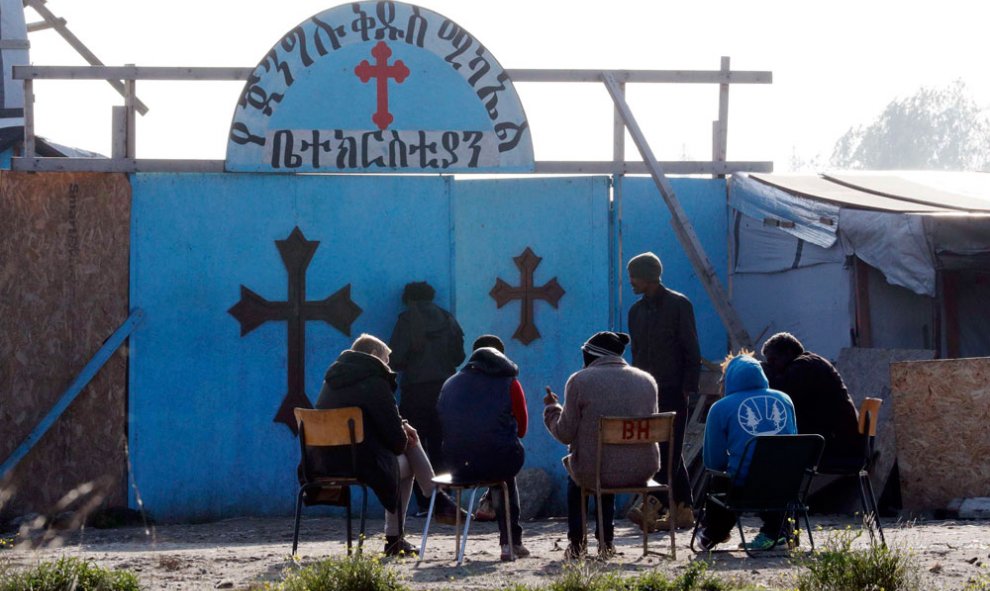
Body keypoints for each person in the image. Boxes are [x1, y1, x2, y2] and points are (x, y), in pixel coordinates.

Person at [314, 333, 462, 557]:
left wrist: (400, 427)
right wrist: (404, 431)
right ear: (374, 356)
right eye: (386, 360)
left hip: (322, 463)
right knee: (409, 455)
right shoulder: (374, 381)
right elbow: (396, 443)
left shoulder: (331, 381)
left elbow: (363, 419)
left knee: (406, 439)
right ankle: (401, 532)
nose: (388, 366)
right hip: (360, 465)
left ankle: (435, 500)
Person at [544, 331, 659, 559]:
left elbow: (565, 434)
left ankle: (577, 544)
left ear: (591, 355)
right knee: (606, 463)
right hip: (642, 470)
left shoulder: (579, 380)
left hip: (597, 471)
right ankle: (606, 542)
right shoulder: (647, 380)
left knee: (582, 471)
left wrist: (552, 409)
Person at [437, 334, 530, 561]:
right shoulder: (510, 383)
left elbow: (442, 424)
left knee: (494, 457)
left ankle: (489, 501)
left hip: (455, 466)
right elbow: (522, 430)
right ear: (502, 357)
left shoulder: (450, 383)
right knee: (504, 468)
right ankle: (510, 542)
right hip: (498, 462)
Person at [625, 251, 700, 530]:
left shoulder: (679, 305)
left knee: (668, 448)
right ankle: (684, 509)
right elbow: (637, 355)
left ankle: (652, 504)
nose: (630, 281)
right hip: (647, 392)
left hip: (673, 390)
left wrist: (688, 389)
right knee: (661, 446)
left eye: (634, 275)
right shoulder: (636, 311)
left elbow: (691, 349)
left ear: (647, 276)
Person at [696, 352, 798, 551]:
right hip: (788, 484)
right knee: (773, 471)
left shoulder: (721, 407)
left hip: (746, 486)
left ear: (730, 379)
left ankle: (714, 533)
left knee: (722, 478)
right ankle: (777, 531)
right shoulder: (785, 400)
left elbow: (712, 461)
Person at [388, 281, 466, 514]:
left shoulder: (406, 320)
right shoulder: (448, 319)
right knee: (441, 444)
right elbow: (458, 356)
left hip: (415, 391)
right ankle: (446, 498)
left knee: (415, 445)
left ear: (408, 297)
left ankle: (425, 503)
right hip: (445, 390)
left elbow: (396, 358)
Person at [760, 332, 862, 509]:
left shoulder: (805, 366)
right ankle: (778, 513)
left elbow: (782, 390)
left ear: (788, 354)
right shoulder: (811, 364)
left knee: (772, 456)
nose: (773, 366)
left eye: (774, 360)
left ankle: (776, 515)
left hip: (837, 448)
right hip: (840, 441)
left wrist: (763, 372)